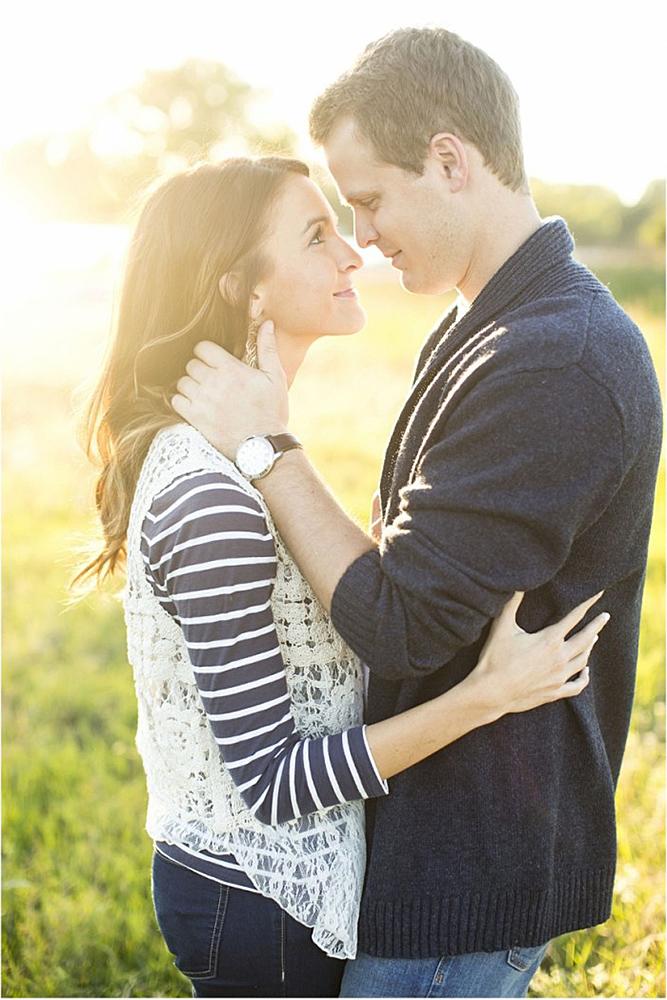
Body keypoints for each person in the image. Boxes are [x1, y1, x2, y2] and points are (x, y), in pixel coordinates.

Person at [171, 26, 663, 1000]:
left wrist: (266, 445)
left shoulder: (553, 356)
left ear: (448, 161)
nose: (362, 237)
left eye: (369, 200)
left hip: (467, 869)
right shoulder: (487, 323)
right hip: (432, 836)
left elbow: (399, 623)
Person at [73, 156, 608, 999]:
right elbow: (277, 783)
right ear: (243, 289)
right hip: (255, 900)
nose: (353, 254)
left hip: (267, 890)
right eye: (317, 235)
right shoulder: (210, 493)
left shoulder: (241, 449)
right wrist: (489, 694)